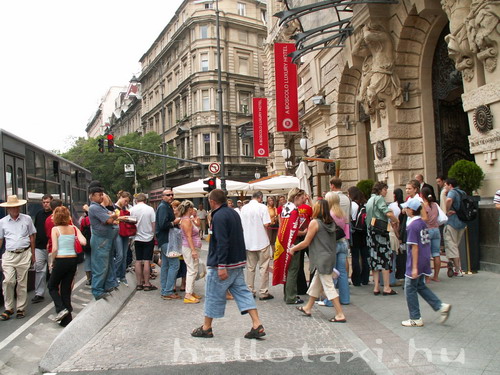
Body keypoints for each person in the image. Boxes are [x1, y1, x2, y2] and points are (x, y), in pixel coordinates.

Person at [191, 189, 265, 339]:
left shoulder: (218, 216)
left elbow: (222, 242)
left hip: (223, 264)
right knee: (243, 292)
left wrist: (222, 265)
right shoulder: (234, 213)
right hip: (237, 261)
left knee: (212, 294)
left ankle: (207, 327)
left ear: (212, 201)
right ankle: (257, 324)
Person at [288, 200, 347, 323]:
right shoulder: (331, 223)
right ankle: (308, 308)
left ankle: (340, 314)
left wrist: (293, 248)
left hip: (321, 259)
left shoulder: (315, 223)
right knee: (316, 283)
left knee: (329, 286)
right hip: (329, 256)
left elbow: (306, 242)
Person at [400, 198, 451, 327]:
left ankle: (415, 317)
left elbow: (414, 247)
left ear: (411, 210)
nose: (405, 210)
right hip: (424, 258)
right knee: (420, 286)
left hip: (415, 261)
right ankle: (440, 306)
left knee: (410, 288)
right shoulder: (422, 223)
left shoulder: (412, 226)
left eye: (407, 208)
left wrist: (414, 267)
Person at [48, 206, 86, 326]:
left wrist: (51, 261)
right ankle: (67, 319)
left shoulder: (55, 229)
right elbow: (83, 242)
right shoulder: (74, 228)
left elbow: (54, 248)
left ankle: (61, 309)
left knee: (52, 286)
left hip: (60, 260)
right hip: (72, 261)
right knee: (66, 289)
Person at [0, 195, 36, 321]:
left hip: (24, 253)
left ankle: (20, 308)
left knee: (22, 282)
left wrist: (33, 254)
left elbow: (32, 236)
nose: (15, 209)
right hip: (9, 254)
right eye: (12, 208)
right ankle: (9, 307)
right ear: (8, 209)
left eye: (17, 207)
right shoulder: (3, 222)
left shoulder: (27, 219)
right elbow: (1, 239)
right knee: (8, 281)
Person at [273, 188, 307, 305]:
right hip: (292, 242)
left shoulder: (286, 208)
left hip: (283, 241)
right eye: (302, 198)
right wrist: (304, 232)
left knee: (287, 268)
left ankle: (287, 293)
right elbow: (294, 230)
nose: (303, 201)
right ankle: (291, 296)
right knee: (293, 269)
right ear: (296, 197)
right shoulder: (294, 211)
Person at [366, 181, 399, 296]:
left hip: (371, 232)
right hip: (380, 232)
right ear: (380, 190)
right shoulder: (379, 199)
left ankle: (376, 287)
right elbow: (387, 213)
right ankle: (386, 287)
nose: (386, 191)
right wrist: (396, 219)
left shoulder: (370, 200)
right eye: (385, 189)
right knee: (384, 259)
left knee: (374, 259)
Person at [88, 186, 120, 300]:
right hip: (100, 240)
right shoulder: (94, 208)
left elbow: (111, 217)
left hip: (106, 239)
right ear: (92, 195)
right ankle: (97, 290)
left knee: (108, 263)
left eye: (103, 194)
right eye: (100, 195)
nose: (102, 197)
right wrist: (115, 215)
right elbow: (109, 220)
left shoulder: (100, 208)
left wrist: (113, 216)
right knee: (100, 266)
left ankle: (108, 285)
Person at [241, 191, 273, 300]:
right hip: (262, 240)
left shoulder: (244, 208)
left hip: (249, 242)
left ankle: (250, 290)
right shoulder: (262, 207)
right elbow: (266, 224)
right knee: (264, 267)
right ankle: (263, 292)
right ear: (260, 198)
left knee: (250, 267)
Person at [325, 192, 350, 305]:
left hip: (333, 244)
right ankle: (345, 299)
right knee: (343, 272)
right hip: (343, 243)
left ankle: (330, 300)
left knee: (332, 272)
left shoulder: (329, 214)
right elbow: (346, 229)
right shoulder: (342, 213)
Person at [129, 193, 156, 291]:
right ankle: (147, 284)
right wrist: (153, 234)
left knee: (138, 260)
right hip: (148, 237)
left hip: (137, 237)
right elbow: (153, 223)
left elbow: (129, 223)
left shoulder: (132, 210)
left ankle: (139, 283)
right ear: (145, 200)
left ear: (136, 200)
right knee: (147, 260)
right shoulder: (150, 209)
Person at [179, 200, 203, 303]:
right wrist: (193, 250)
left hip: (192, 246)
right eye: (192, 208)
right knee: (192, 269)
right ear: (189, 209)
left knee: (194, 269)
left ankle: (191, 291)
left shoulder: (188, 219)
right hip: (189, 247)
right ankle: (188, 294)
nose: (193, 210)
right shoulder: (187, 220)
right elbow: (188, 236)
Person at [32, 194, 53, 304]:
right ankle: (39, 293)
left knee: (53, 270)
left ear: (51, 202)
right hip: (39, 247)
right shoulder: (39, 214)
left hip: (51, 247)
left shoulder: (55, 214)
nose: (45, 204)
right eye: (44, 202)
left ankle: (54, 291)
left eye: (48, 202)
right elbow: (35, 231)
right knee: (39, 269)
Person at [443, 178, 466, 277]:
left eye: (445, 185)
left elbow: (449, 200)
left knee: (451, 245)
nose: (444, 187)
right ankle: (452, 264)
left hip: (452, 222)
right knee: (455, 244)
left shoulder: (452, 192)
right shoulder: (463, 192)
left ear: (450, 185)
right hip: (462, 221)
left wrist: (446, 211)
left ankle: (458, 269)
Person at [347, 186, 370, 286]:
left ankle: (356, 279)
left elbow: (349, 218)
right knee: (365, 256)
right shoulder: (364, 204)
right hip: (364, 232)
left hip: (355, 232)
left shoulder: (352, 205)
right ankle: (365, 278)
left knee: (355, 256)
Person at [421, 187, 442, 282]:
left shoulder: (423, 206)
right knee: (436, 253)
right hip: (436, 229)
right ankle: (436, 276)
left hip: (427, 230)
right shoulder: (435, 205)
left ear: (422, 195)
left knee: (427, 255)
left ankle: (427, 277)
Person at [115, 191, 134, 286]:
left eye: (127, 202)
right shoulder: (114, 207)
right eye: (125, 201)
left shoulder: (124, 208)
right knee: (120, 255)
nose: (126, 203)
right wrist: (122, 218)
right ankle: (116, 275)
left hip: (124, 232)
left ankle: (122, 276)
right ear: (121, 197)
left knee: (124, 255)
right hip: (117, 232)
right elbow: (112, 219)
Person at [80, 204, 92, 285]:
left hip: (87, 242)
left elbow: (81, 230)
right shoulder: (94, 219)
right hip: (95, 241)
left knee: (87, 259)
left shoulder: (83, 220)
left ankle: (88, 278)